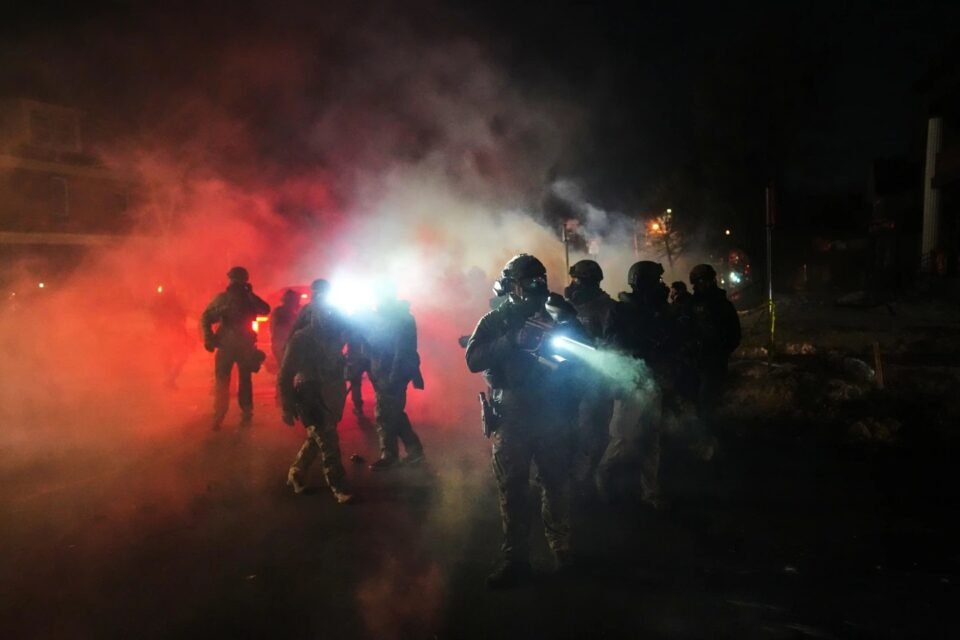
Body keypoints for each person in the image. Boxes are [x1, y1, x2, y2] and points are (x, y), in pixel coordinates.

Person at [465, 254, 583, 588]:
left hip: (551, 414)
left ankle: (562, 552)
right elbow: (473, 359)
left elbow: (584, 351)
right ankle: (516, 559)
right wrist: (512, 341)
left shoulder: (556, 312)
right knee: (513, 490)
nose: (536, 286)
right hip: (512, 417)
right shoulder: (495, 320)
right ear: (512, 286)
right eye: (528, 281)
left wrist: (567, 324)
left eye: (539, 279)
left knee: (556, 484)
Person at [596, 260, 671, 509]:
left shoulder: (658, 310)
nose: (660, 285)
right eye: (656, 281)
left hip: (653, 382)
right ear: (644, 283)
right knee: (621, 439)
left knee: (651, 439)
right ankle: (602, 480)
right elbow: (614, 346)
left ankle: (650, 492)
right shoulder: (621, 311)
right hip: (631, 384)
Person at [278, 280, 354, 504]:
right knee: (328, 439)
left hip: (331, 391)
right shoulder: (301, 338)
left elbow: (354, 336)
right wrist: (287, 406)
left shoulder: (336, 333)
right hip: (310, 392)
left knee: (318, 437)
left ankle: (296, 472)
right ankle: (338, 485)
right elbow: (285, 374)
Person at [564, 259, 616, 496]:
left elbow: (611, 344)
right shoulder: (569, 307)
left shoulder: (607, 308)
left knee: (592, 430)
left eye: (576, 280)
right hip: (570, 378)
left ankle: (587, 479)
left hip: (595, 380)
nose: (572, 285)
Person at [363, 282, 426, 470]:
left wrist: (393, 377)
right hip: (384, 372)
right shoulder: (386, 317)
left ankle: (389, 455)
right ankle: (414, 451)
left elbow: (402, 350)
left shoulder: (400, 319)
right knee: (394, 412)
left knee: (384, 415)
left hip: (391, 374)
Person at [200, 267, 270, 430]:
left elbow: (265, 310)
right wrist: (209, 337)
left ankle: (243, 411)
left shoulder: (247, 299)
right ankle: (220, 413)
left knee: (240, 380)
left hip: (243, 345)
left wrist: (250, 294)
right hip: (227, 345)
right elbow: (206, 317)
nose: (236, 284)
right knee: (224, 381)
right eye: (235, 280)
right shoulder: (224, 299)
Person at [688, 263, 741, 452]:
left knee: (709, 402)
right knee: (696, 401)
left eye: (707, 280)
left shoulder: (722, 305)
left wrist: (719, 352)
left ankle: (710, 441)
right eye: (701, 281)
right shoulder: (691, 304)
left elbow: (734, 335)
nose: (705, 284)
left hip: (713, 362)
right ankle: (702, 438)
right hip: (694, 362)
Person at [149, 287, 192, 390]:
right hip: (172, 332)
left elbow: (153, 313)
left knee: (170, 356)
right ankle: (170, 379)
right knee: (177, 356)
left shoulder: (162, 305)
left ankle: (170, 379)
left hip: (170, 332)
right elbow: (183, 317)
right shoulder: (170, 305)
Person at [269, 289, 301, 369]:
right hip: (285, 345)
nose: (298, 303)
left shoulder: (278, 311)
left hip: (279, 345)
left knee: (284, 368)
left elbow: (272, 328)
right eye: (296, 301)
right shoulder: (288, 313)